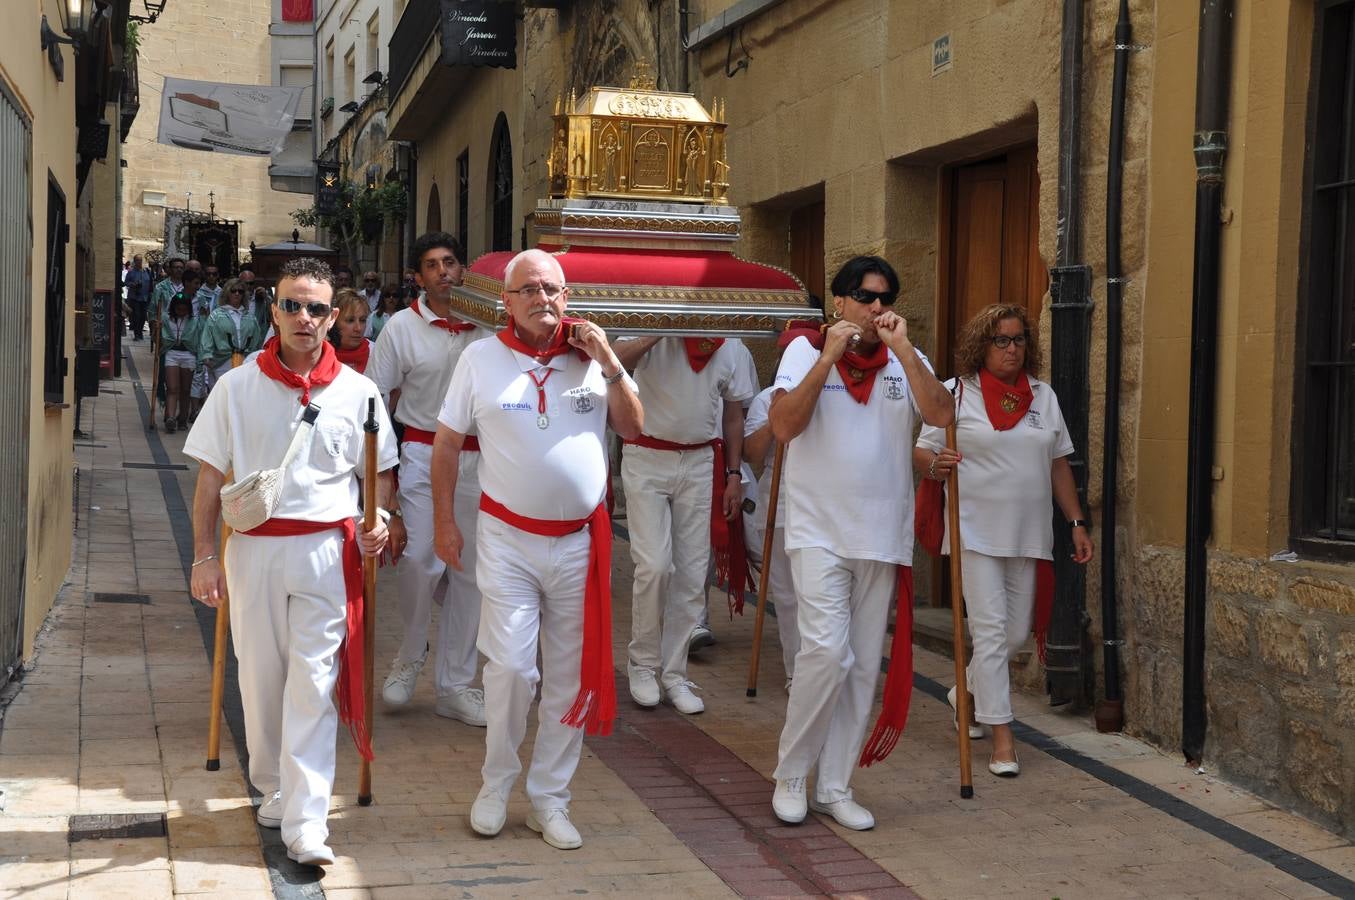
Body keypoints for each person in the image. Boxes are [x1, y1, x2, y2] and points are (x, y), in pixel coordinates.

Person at [185, 256, 398, 867]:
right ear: (273, 311)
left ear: (333, 318)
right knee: (260, 677)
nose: (303, 317)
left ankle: (306, 820)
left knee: (314, 681)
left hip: (326, 554)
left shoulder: (359, 392)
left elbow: (378, 475)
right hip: (252, 550)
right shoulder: (237, 385)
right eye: (291, 305)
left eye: (316, 308)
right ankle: (274, 786)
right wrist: (204, 555)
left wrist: (380, 519)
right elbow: (208, 475)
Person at [433, 248, 642, 851]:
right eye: (528, 289)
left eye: (551, 288)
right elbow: (447, 445)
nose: (541, 298)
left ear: (566, 296)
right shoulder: (480, 358)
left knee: (569, 679)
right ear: (507, 300)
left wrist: (606, 358)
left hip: (579, 543)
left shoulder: (592, 360)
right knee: (510, 671)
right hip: (506, 540)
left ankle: (550, 799)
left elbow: (631, 425)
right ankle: (496, 784)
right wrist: (446, 523)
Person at [767, 256, 953, 830]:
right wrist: (826, 358)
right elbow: (783, 426)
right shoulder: (803, 351)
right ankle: (792, 773)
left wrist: (905, 353)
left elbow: (942, 414)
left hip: (881, 534)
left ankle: (835, 783)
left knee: (859, 668)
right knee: (824, 653)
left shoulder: (907, 358)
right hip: (818, 529)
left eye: (886, 297)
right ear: (840, 302)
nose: (877, 307)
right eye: (866, 297)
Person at [913, 303, 1093, 777]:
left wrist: (1075, 521)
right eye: (1001, 341)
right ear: (981, 345)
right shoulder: (956, 393)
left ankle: (964, 693)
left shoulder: (1042, 395)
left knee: (1014, 635)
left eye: (1018, 340)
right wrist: (936, 466)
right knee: (991, 633)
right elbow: (922, 449)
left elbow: (1058, 463)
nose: (1012, 349)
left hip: (1028, 533)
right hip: (974, 530)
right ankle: (1003, 736)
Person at [370, 233, 490, 725]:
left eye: (451, 262)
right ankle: (411, 651)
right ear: (418, 277)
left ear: (463, 270)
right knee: (421, 558)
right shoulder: (401, 327)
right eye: (432, 265)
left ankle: (455, 685)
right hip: (420, 450)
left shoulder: (489, 325)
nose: (443, 271)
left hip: (480, 458)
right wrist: (384, 480)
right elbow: (373, 398)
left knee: (471, 572)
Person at [611, 335, 757, 714]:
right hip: (647, 455)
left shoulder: (731, 346)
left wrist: (734, 474)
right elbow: (613, 361)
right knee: (656, 566)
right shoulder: (651, 326)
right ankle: (643, 665)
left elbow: (733, 413)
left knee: (693, 574)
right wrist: (659, 328)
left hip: (700, 461)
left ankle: (675, 673)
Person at [199, 278, 265, 388]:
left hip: (246, 360)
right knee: (223, 394)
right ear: (227, 293)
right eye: (233, 290)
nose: (237, 293)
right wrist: (207, 355)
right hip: (222, 360)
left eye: (240, 291)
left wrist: (255, 357)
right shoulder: (216, 315)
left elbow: (257, 339)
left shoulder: (250, 317)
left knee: (242, 393)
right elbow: (207, 336)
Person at [159, 292, 204, 433]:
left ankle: (183, 418)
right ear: (174, 307)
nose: (182, 312)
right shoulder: (166, 319)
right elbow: (159, 337)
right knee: (172, 388)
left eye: (184, 309)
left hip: (188, 355)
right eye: (179, 309)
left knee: (185, 389)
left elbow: (200, 339)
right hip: (171, 353)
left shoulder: (195, 321)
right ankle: (171, 417)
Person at [329, 289, 373, 374]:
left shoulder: (376, 352)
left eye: (362, 320)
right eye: (350, 320)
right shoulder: (317, 355)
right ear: (333, 321)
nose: (358, 328)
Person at [150, 257, 186, 328]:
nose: (179, 270)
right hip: (165, 326)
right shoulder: (160, 287)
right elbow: (153, 308)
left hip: (184, 325)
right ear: (170, 269)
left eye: (181, 268)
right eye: (176, 267)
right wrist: (154, 322)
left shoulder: (188, 286)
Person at [124, 256, 154, 341]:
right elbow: (126, 282)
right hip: (135, 297)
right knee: (136, 316)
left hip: (145, 297)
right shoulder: (131, 272)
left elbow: (150, 285)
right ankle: (136, 334)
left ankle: (140, 331)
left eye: (140, 260)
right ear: (134, 261)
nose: (139, 262)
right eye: (137, 260)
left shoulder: (146, 271)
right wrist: (133, 284)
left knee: (143, 316)